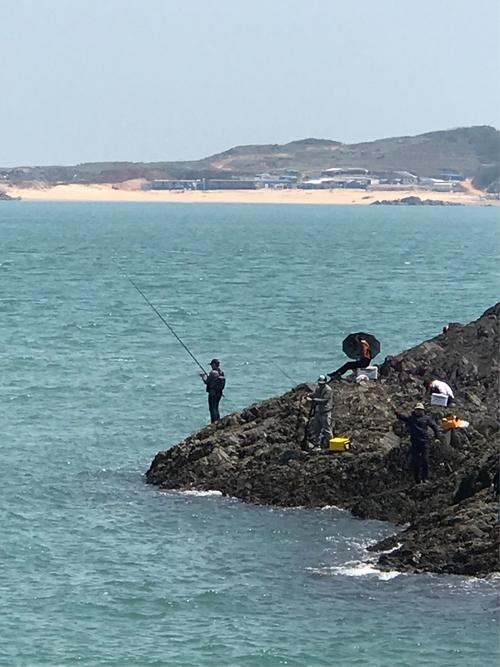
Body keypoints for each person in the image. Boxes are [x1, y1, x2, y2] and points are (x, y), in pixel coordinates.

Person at [394, 402, 441, 484]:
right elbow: (403, 418)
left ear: (423, 410)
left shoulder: (426, 418)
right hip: (415, 444)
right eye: (417, 410)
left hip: (425, 443)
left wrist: (437, 437)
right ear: (415, 410)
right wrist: (396, 412)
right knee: (415, 462)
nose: (419, 411)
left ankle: (424, 478)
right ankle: (417, 480)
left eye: (420, 410)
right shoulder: (411, 418)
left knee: (425, 461)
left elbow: (434, 427)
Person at [307, 375, 333, 448]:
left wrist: (313, 400)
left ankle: (331, 445)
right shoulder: (318, 388)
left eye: (322, 383)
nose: (320, 384)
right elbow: (316, 395)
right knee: (316, 429)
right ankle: (317, 445)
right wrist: (310, 395)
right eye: (319, 383)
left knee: (327, 430)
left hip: (325, 412)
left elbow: (324, 401)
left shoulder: (328, 390)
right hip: (318, 412)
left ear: (325, 382)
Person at [200, 358, 225, 423]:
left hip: (212, 393)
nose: (211, 366)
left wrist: (203, 376)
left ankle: (214, 422)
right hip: (219, 393)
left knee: (212, 408)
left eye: (212, 365)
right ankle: (217, 420)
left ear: (214, 365)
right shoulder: (221, 372)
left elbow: (206, 381)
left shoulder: (213, 373)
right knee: (216, 407)